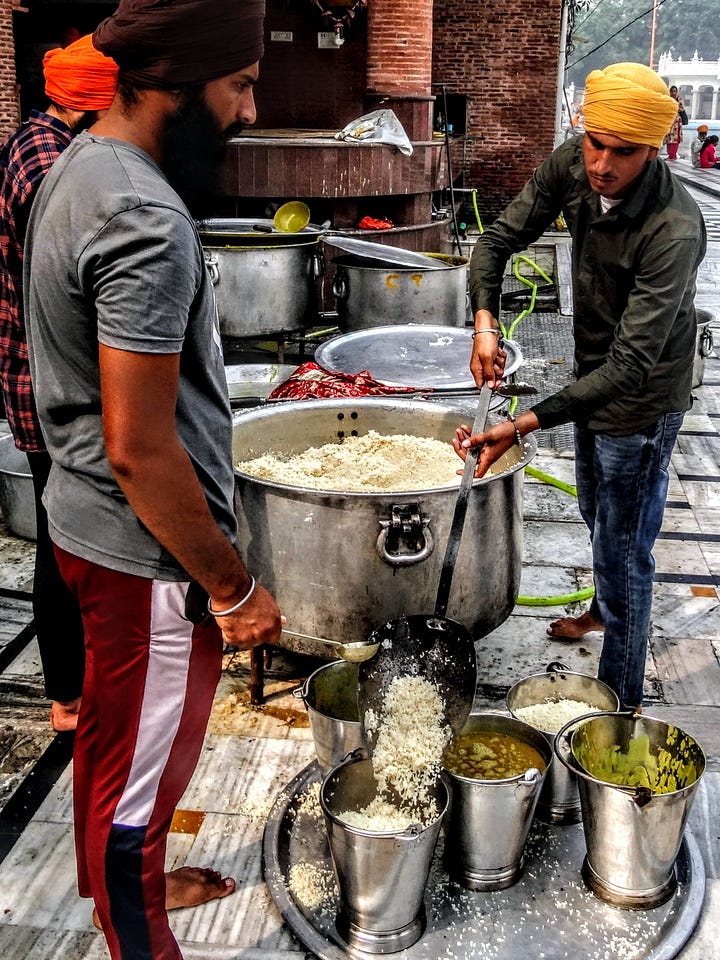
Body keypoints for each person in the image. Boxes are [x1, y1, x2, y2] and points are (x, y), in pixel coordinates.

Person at [24, 1, 282, 958]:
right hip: (145, 558)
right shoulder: (141, 215)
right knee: (140, 785)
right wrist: (234, 588)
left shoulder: (80, 163)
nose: (250, 110)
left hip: (86, 526)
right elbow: (140, 446)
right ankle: (139, 935)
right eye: (240, 86)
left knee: (109, 739)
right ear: (175, 85)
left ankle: (111, 890)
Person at [458, 62, 706, 711]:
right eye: (595, 142)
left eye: (623, 152)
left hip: (643, 394)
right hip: (592, 367)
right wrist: (485, 324)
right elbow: (497, 240)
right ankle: (601, 609)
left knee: (627, 551)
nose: (601, 164)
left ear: (654, 150)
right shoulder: (573, 163)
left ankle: (617, 707)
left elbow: (628, 367)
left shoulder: (673, 229)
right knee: (597, 512)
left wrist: (519, 425)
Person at [0, 34, 118, 732]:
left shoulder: (35, 139)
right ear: (90, 107)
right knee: (62, 535)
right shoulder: (47, 162)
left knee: (63, 530)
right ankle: (70, 695)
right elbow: (85, 257)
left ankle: (73, 683)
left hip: (35, 376)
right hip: (47, 383)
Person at [663, 84, 685, 160]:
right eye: (672, 91)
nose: (673, 93)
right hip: (669, 120)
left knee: (675, 139)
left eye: (675, 91)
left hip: (676, 121)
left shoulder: (679, 99)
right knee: (669, 139)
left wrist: (674, 106)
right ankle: (670, 155)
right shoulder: (668, 99)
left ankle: (673, 155)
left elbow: (681, 109)